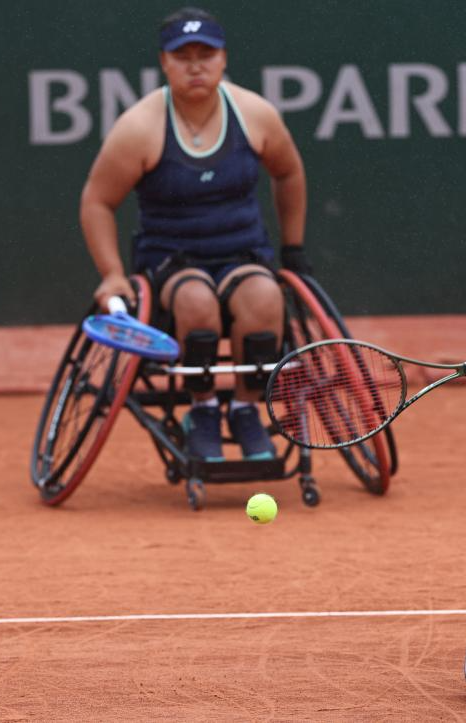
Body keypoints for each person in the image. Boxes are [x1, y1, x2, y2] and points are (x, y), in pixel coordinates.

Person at [79, 7, 309, 462]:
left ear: (224, 59)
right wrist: (111, 274)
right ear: (164, 63)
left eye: (206, 55)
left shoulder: (255, 114)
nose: (195, 66)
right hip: (171, 261)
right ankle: (202, 410)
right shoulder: (139, 127)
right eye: (182, 57)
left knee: (266, 298)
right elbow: (97, 201)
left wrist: (293, 248)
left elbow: (289, 173)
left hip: (242, 254)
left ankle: (245, 409)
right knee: (196, 302)